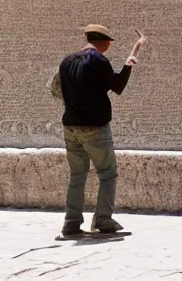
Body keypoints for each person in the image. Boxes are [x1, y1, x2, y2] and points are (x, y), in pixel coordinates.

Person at [55, 24, 144, 236]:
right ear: (102, 42)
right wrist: (128, 65)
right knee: (107, 173)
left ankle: (71, 223)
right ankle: (103, 220)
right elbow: (117, 86)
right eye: (109, 43)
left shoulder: (67, 61)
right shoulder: (99, 61)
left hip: (70, 127)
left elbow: (60, 89)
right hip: (94, 127)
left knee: (77, 175)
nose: (109, 47)